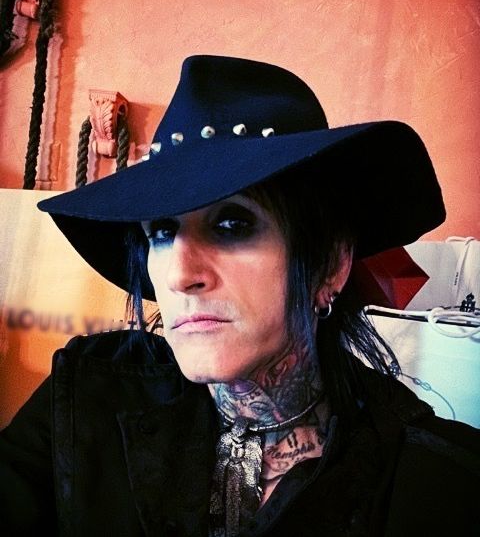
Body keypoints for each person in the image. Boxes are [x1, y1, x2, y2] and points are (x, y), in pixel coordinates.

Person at [1, 55, 478, 537]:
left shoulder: (435, 483)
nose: (179, 275)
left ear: (330, 264)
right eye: (161, 232)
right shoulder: (85, 397)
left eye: (232, 224)